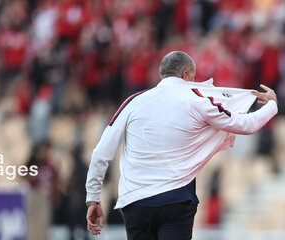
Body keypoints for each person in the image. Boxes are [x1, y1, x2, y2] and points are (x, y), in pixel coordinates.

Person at [85, 51, 278, 240]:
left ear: (162, 74)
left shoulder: (132, 103)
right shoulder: (197, 101)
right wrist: (271, 106)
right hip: (175, 199)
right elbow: (246, 124)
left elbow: (101, 153)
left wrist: (93, 197)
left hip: (136, 202)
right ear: (186, 74)